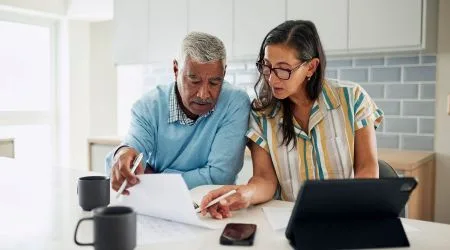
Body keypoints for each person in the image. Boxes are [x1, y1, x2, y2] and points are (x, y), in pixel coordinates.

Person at [199, 20, 384, 219]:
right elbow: (264, 179)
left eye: (283, 69)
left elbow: (367, 168)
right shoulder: (262, 114)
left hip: (345, 217)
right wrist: (243, 194)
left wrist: (355, 208)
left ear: (311, 67)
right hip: (290, 221)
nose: (272, 79)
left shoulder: (353, 99)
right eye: (267, 67)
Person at [106, 32, 250, 194]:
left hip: (212, 206)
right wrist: (123, 154)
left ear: (224, 74)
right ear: (176, 69)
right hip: (156, 204)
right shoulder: (148, 106)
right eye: (194, 81)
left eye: (214, 82)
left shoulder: (235, 102)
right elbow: (130, 154)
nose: (204, 94)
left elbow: (219, 177)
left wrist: (157, 178)